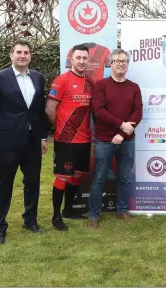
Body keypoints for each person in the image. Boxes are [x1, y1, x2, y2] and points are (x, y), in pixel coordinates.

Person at [0, 39, 48, 244]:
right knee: (4, 183)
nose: (23, 55)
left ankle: (30, 220)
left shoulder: (38, 78)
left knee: (32, 181)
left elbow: (39, 111)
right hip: (7, 140)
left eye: (26, 52)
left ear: (30, 56)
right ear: (11, 54)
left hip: (32, 141)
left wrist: (42, 137)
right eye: (19, 52)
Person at [88, 49, 143, 229]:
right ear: (110, 63)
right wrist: (120, 125)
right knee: (99, 178)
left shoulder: (134, 87)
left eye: (124, 61)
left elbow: (138, 113)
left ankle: (123, 210)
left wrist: (122, 133)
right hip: (104, 140)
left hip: (127, 140)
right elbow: (99, 111)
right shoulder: (101, 85)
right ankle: (94, 215)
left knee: (125, 177)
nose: (121, 63)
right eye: (117, 61)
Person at [45, 44, 94, 231]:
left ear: (88, 60)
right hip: (66, 140)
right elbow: (50, 109)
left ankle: (69, 210)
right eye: (78, 58)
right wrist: (61, 129)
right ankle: (56, 217)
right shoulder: (62, 80)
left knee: (77, 175)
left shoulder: (90, 84)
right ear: (71, 60)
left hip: (84, 139)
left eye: (84, 58)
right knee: (62, 177)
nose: (81, 61)